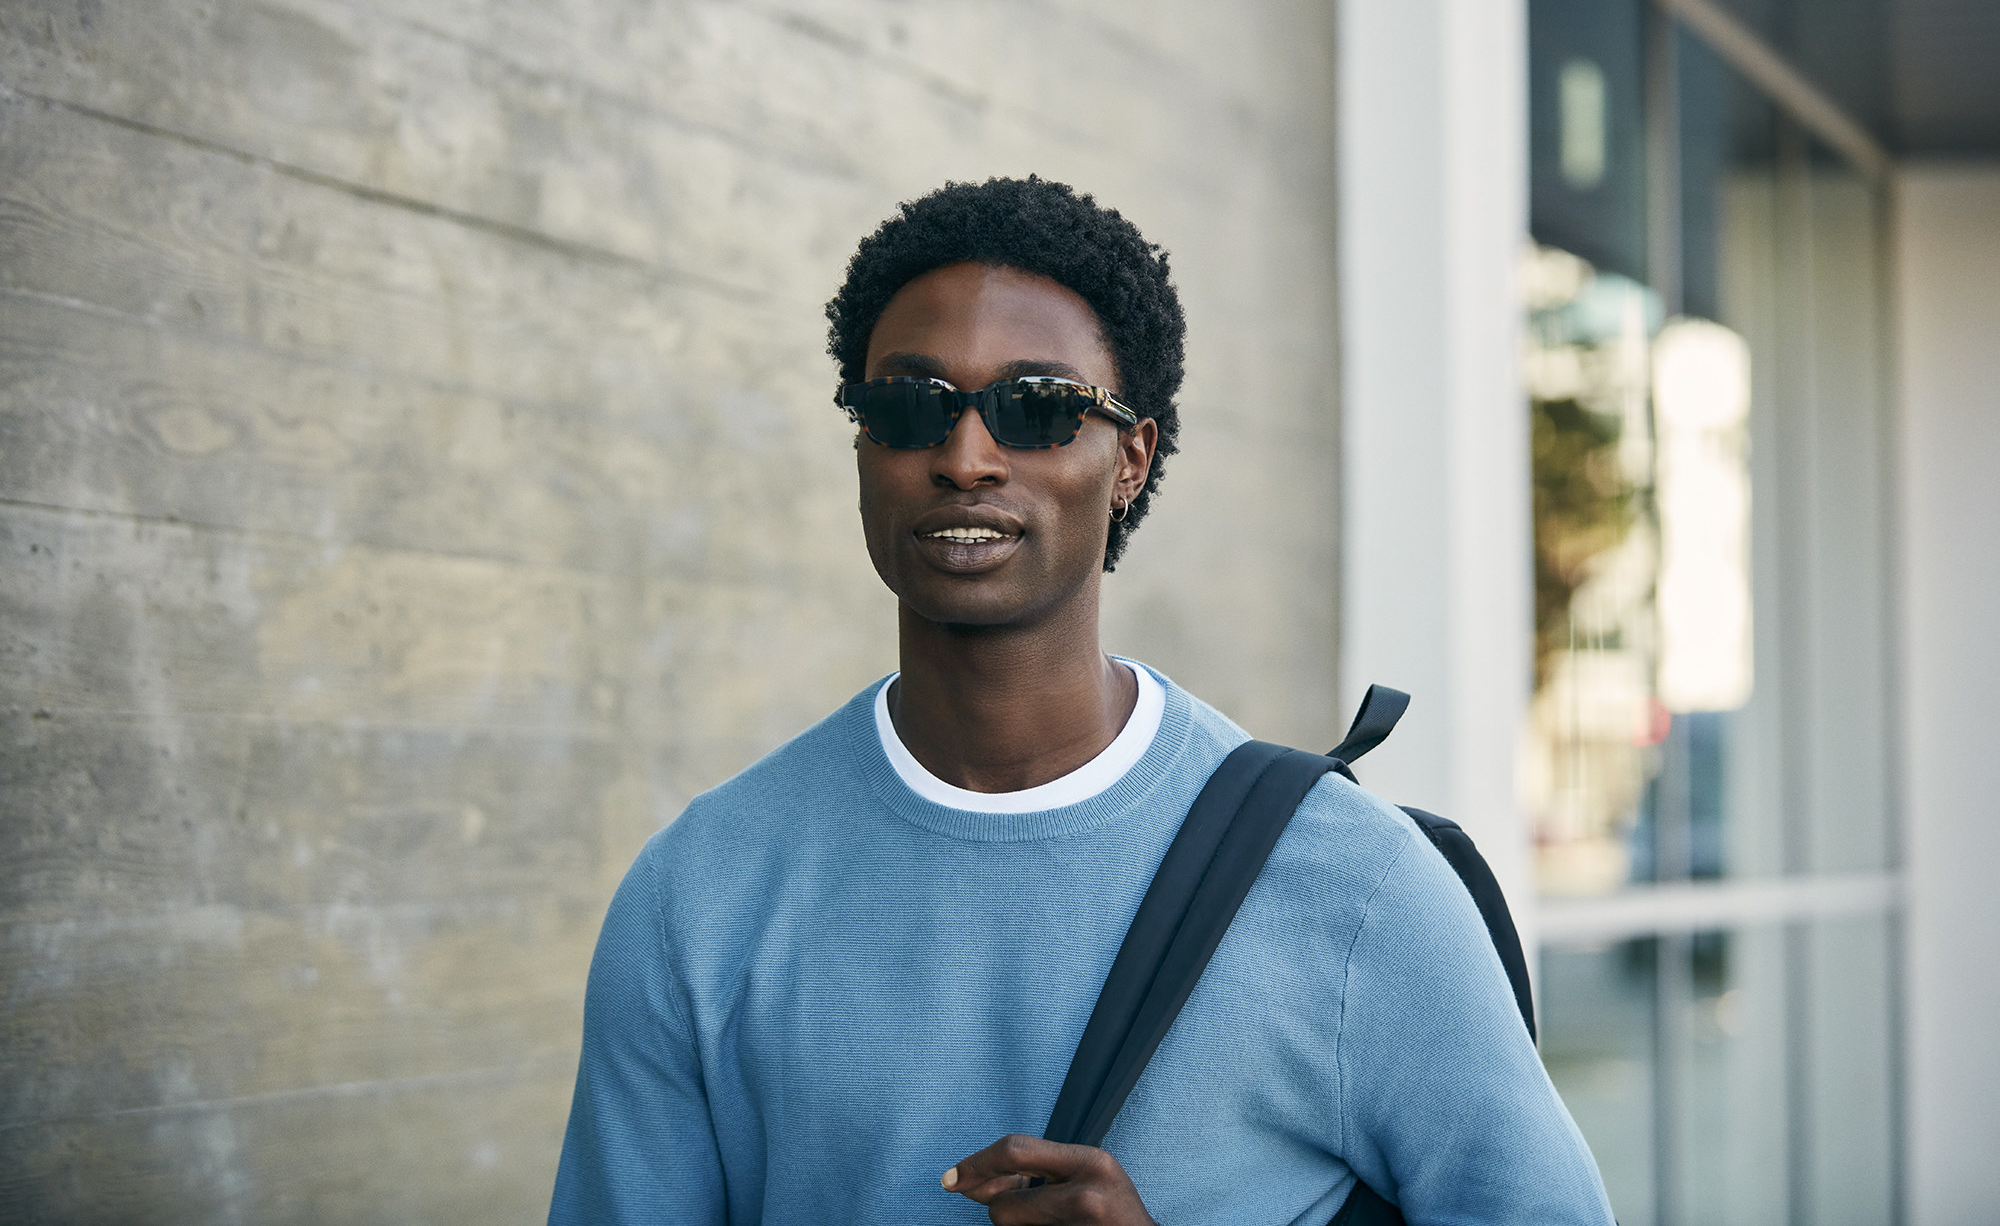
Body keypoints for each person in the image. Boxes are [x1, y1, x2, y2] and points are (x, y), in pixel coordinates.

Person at [548, 177, 1614, 1225]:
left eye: (1039, 409)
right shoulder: (698, 894)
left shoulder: (1356, 885)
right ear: (863, 446)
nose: (965, 457)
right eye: (910, 406)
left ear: (1131, 460)